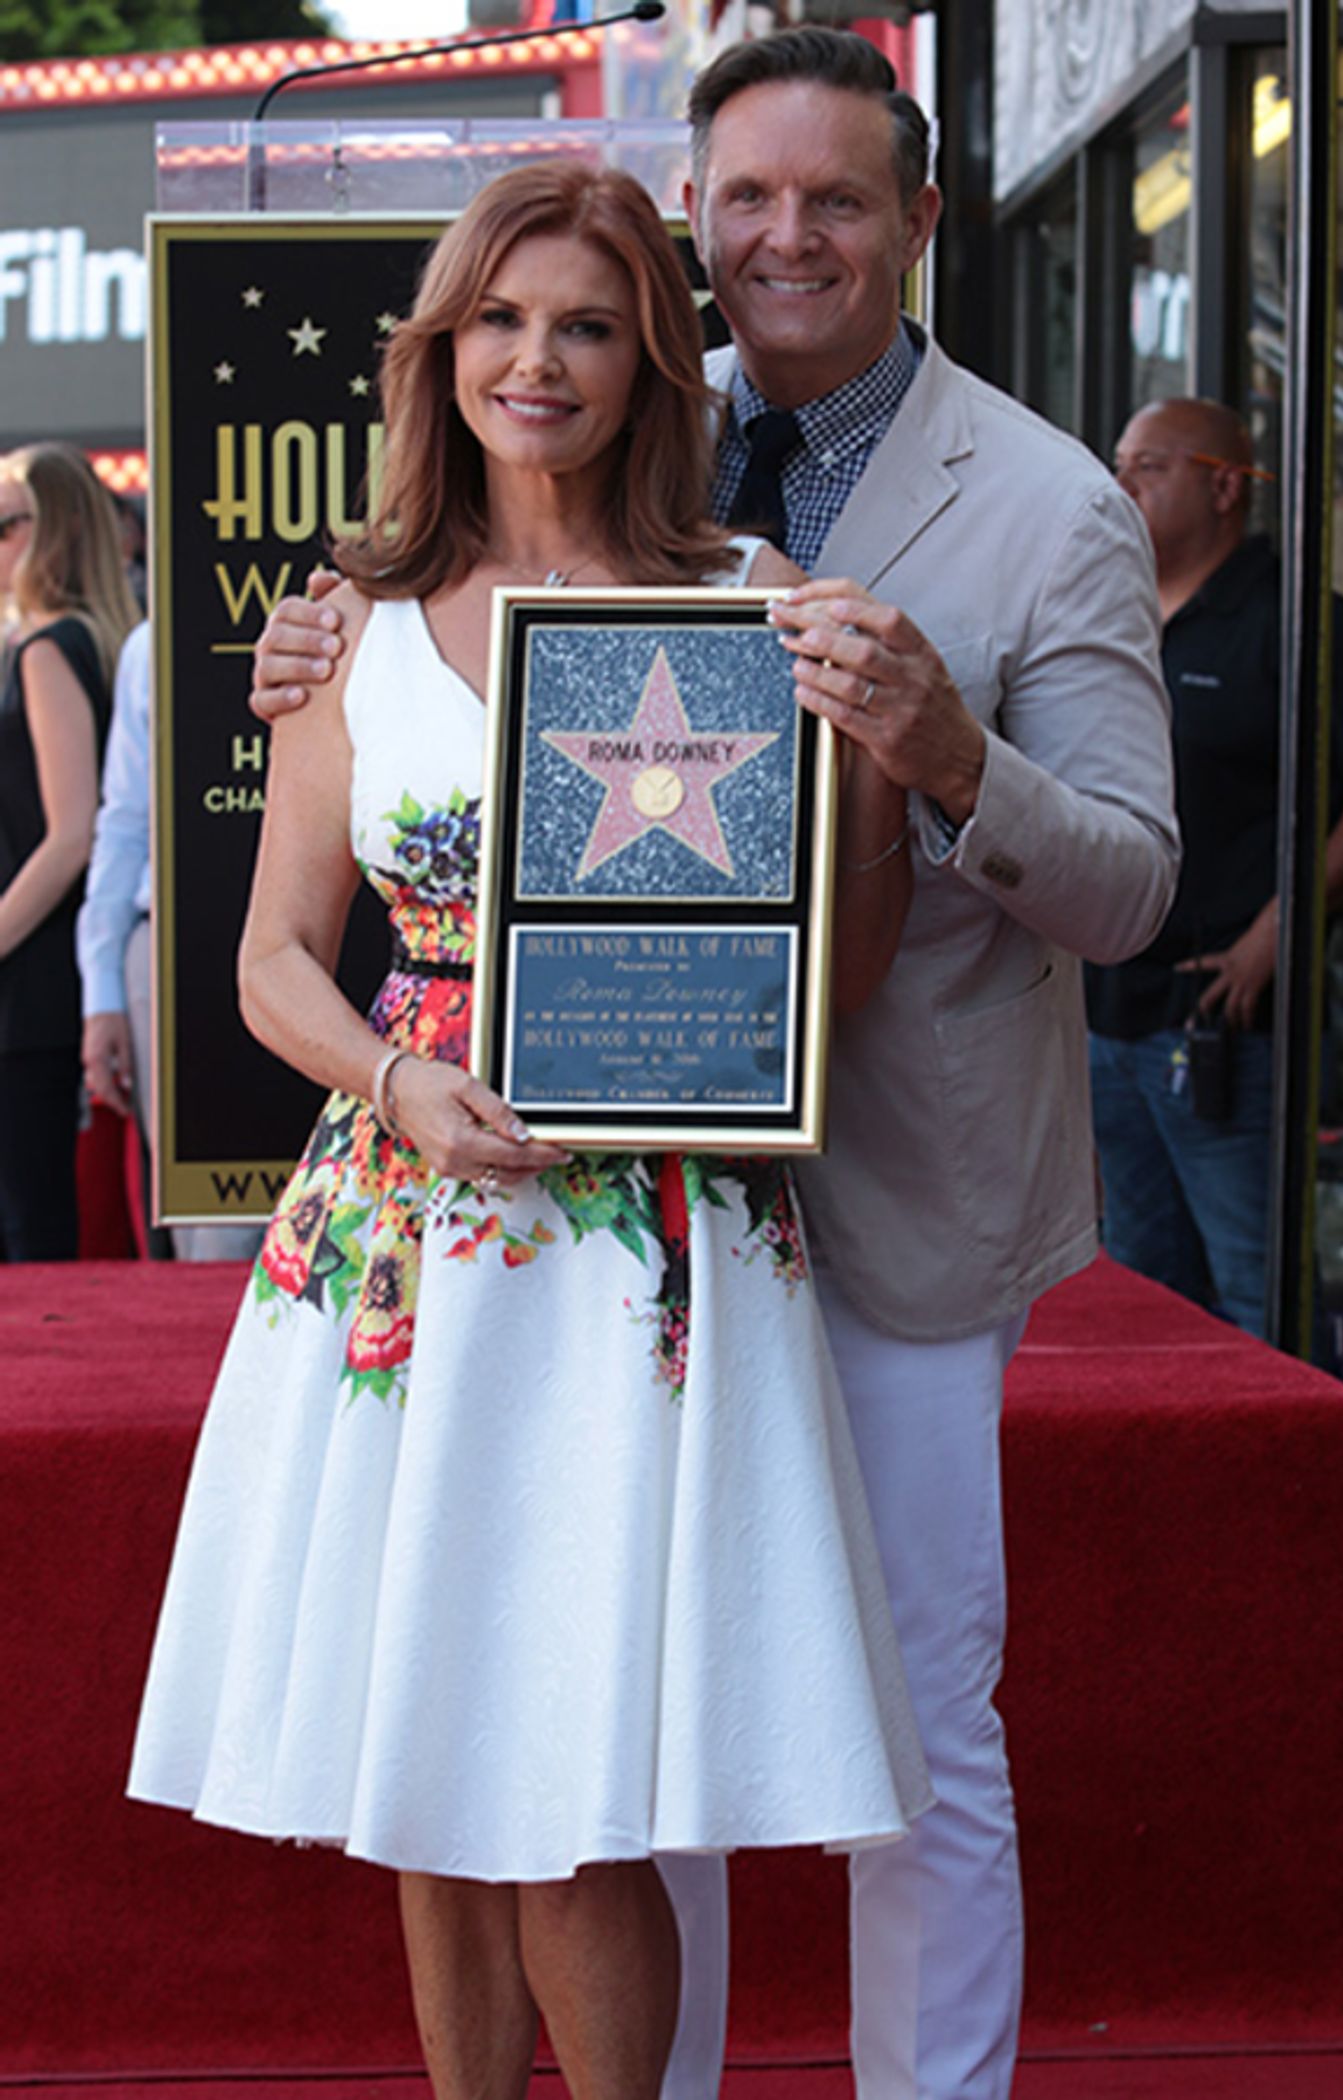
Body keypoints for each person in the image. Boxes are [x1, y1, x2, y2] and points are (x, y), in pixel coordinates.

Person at [248, 30, 1181, 2100]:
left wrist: (937, 751)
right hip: (572, 1235)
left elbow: (1129, 891)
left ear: (920, 220)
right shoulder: (592, 487)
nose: (786, 236)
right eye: (745, 200)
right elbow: (322, 883)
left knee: (910, 1744)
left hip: (890, 1200)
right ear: (695, 230)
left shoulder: (1040, 503)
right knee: (612, 1724)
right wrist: (334, 663)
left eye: (835, 198)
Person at [128, 161, 936, 2100]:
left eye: (583, 322)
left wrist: (889, 782)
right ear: (440, 355)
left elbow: (833, 973)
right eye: (499, 321)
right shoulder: (355, 624)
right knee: (431, 1756)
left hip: (652, 1245)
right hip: (410, 1234)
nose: (537, 360)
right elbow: (263, 970)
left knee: (579, 1781)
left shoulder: (754, 611)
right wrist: (399, 1080)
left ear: (652, 357)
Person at [1091, 396, 1343, 1338]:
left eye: (1149, 466)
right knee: (1140, 1299)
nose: (1121, 484)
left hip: (1230, 1022)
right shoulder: (1110, 614)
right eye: (1118, 462)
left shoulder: (1303, 621)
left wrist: (1283, 929)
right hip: (1107, 1016)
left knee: (1254, 1293)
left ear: (1227, 486)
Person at [77, 620, 263, 1262]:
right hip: (182, 952)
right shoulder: (154, 643)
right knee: (218, 1240)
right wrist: (101, 989)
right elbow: (126, 823)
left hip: (359, 954)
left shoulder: (385, 618)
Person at [0, 441, 138, 1260]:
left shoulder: (50, 648)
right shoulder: (52, 641)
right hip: (38, 971)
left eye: (8, 523)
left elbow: (71, 832)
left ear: (54, 529)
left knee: (27, 1226)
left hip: (31, 979)